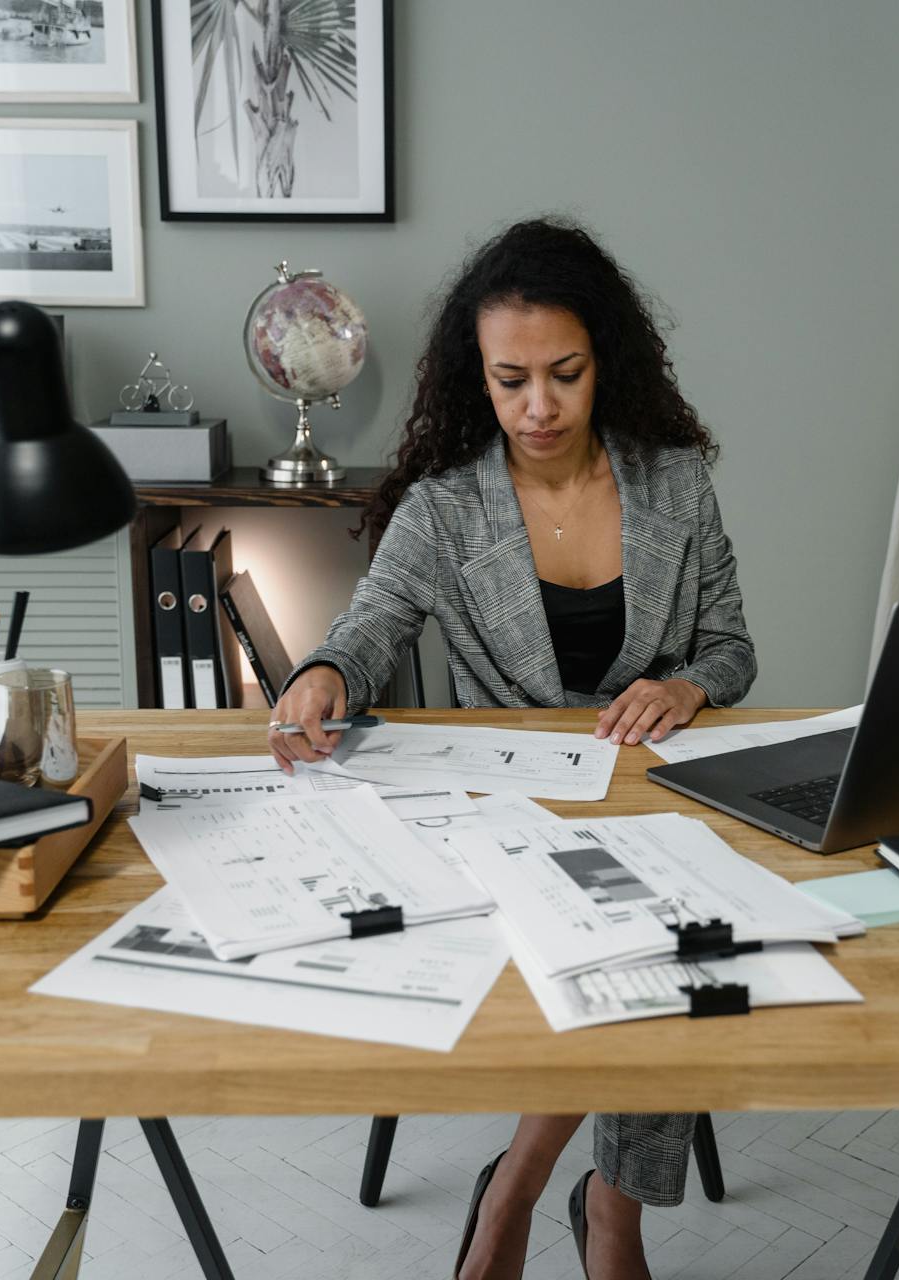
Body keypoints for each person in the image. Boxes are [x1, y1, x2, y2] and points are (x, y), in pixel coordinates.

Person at [269, 217, 756, 1280]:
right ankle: (579, 1204)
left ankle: (554, 1191)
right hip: (508, 812)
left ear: (604, 365)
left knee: (675, 929)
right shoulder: (446, 510)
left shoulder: (673, 481)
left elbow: (731, 647)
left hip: (652, 796)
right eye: (510, 379)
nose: (538, 406)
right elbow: (373, 622)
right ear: (475, 380)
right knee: (650, 944)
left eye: (565, 374)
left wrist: (681, 683)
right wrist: (325, 673)